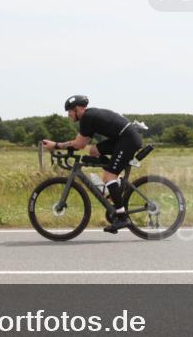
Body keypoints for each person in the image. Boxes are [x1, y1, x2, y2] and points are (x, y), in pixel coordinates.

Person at [42, 95, 143, 234]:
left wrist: (56, 145)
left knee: (108, 176)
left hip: (128, 140)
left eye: (69, 111)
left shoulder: (87, 118)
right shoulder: (89, 116)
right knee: (94, 150)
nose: (68, 115)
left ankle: (122, 217)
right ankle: (114, 185)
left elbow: (79, 144)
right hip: (123, 138)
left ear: (77, 109)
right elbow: (85, 145)